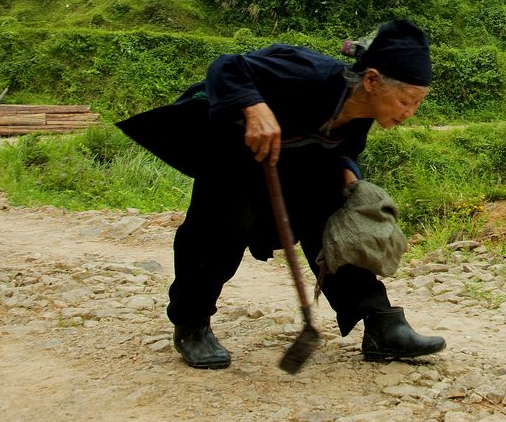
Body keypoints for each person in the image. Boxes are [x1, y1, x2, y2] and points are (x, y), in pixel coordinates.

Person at [117, 19, 445, 369]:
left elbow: (342, 149)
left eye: (417, 104)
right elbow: (226, 66)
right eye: (406, 100)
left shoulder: (362, 115)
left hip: (293, 165)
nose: (409, 113)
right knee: (224, 227)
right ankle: (191, 324)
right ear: (371, 80)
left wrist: (348, 169)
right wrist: (254, 106)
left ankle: (381, 323)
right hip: (231, 150)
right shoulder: (308, 74)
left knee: (338, 222)